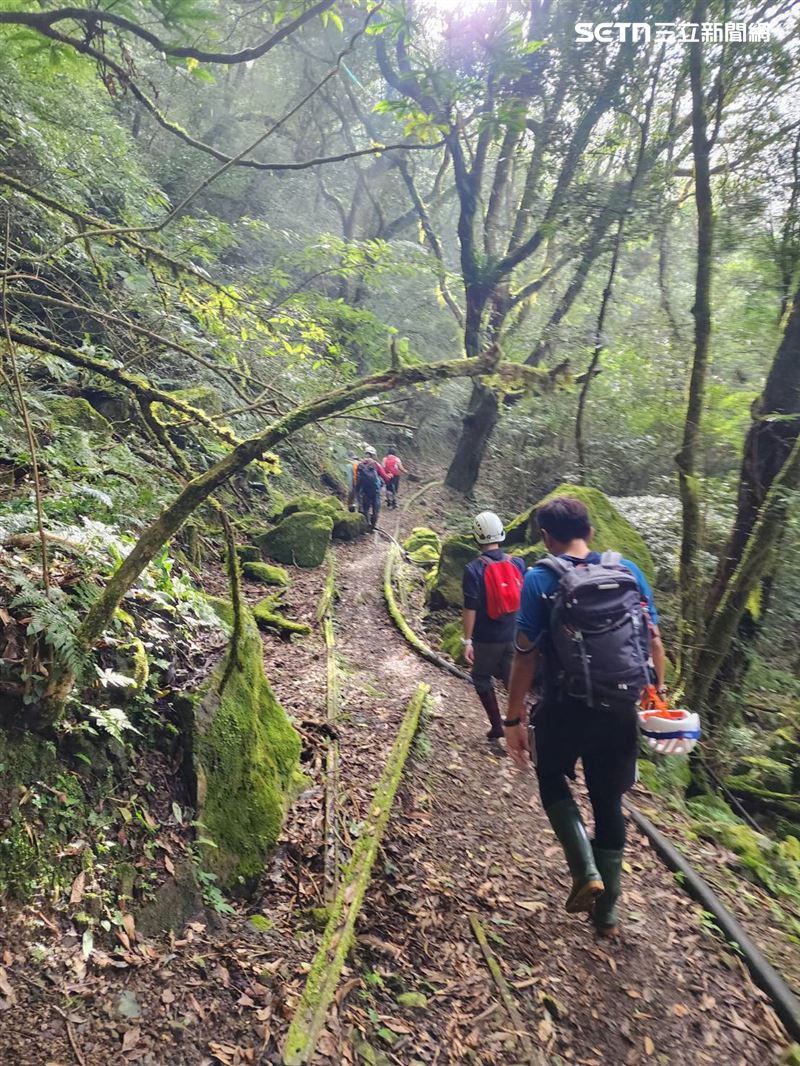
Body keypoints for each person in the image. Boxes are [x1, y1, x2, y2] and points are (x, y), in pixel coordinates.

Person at [504, 496, 666, 937]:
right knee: (609, 801)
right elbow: (653, 642)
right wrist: (656, 697)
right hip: (619, 708)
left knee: (552, 775)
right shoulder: (626, 571)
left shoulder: (539, 577)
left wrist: (513, 719)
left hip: (564, 705)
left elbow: (525, 656)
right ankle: (608, 915)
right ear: (590, 532)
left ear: (546, 537)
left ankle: (584, 870)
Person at [462, 511, 526, 742]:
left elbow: (471, 608)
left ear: (476, 536)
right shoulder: (518, 562)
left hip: (487, 638)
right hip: (516, 634)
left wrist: (467, 641)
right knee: (514, 681)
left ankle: (497, 725)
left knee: (480, 677)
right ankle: (522, 729)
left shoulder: (473, 569)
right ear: (501, 532)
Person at [356, 446, 390, 531]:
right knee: (376, 509)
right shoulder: (376, 464)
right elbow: (385, 477)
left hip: (365, 490)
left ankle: (366, 525)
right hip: (375, 491)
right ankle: (372, 526)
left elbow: (358, 478)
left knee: (365, 508)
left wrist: (358, 489)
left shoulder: (361, 464)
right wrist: (389, 476)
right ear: (373, 455)